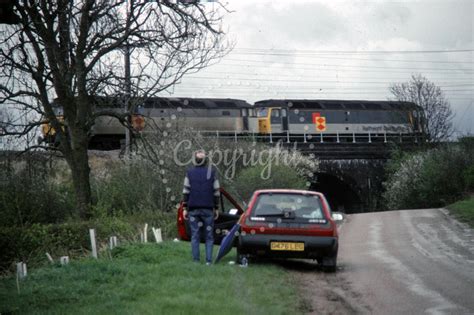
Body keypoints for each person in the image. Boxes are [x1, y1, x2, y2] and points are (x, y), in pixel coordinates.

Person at [182, 150, 220, 265]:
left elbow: (186, 191)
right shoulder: (212, 172)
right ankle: (208, 261)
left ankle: (196, 261)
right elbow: (216, 192)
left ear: (195, 160)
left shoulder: (189, 172)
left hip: (193, 209)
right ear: (205, 161)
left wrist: (184, 207)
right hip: (208, 209)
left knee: (195, 235)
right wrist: (216, 207)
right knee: (209, 236)